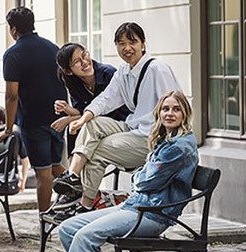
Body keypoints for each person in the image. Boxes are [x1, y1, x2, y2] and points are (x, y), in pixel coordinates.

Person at [36, 90, 199, 252]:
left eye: (176, 109)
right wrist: (142, 176)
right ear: (159, 113)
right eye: (166, 108)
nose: (170, 113)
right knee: (68, 228)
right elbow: (144, 177)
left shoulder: (179, 147)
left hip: (152, 214)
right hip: (135, 206)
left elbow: (143, 181)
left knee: (84, 236)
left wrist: (140, 176)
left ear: (185, 113)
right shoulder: (166, 139)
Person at [50, 22, 182, 220]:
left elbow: (177, 105)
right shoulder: (123, 72)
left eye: (132, 42)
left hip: (152, 138)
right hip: (132, 128)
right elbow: (104, 100)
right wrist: (81, 119)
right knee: (93, 123)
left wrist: (174, 143)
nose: (127, 48)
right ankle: (74, 177)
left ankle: (85, 205)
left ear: (143, 44)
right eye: (121, 43)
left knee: (98, 149)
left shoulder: (157, 69)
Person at [0, 7, 68, 213]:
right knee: (56, 166)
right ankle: (85, 196)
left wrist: (8, 128)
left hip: (33, 120)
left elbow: (12, 95)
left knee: (43, 173)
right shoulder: (53, 48)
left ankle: (43, 222)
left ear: (13, 30)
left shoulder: (12, 54)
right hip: (58, 116)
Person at [50, 42, 122, 209]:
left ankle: (74, 181)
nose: (84, 61)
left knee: (80, 126)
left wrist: (69, 118)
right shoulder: (70, 80)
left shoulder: (108, 74)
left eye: (85, 55)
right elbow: (82, 110)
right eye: (77, 61)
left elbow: (106, 112)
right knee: (75, 128)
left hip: (117, 122)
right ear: (69, 70)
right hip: (94, 124)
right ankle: (74, 184)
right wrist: (67, 110)